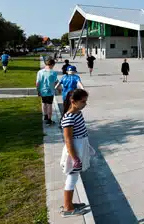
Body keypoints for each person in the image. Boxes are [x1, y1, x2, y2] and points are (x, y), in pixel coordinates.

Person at [60, 89, 91, 217]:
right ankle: (68, 208)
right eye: (83, 101)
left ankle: (70, 203)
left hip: (80, 146)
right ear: (73, 102)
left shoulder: (78, 113)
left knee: (74, 176)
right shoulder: (69, 118)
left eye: (86, 101)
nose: (85, 104)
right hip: (74, 150)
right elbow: (68, 140)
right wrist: (75, 159)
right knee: (72, 177)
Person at [37, 58, 59, 125]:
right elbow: (56, 82)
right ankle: (49, 119)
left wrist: (38, 90)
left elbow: (38, 82)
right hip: (50, 91)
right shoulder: (53, 72)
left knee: (44, 103)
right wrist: (58, 88)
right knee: (49, 105)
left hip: (42, 90)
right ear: (52, 64)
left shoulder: (40, 72)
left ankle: (45, 116)